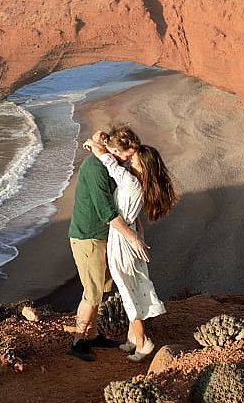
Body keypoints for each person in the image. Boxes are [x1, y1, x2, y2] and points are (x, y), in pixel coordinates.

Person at [82, 125, 177, 362]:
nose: (127, 161)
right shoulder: (138, 181)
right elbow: (116, 162)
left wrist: (96, 146)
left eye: (132, 160)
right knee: (132, 286)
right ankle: (132, 339)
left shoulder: (131, 183)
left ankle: (143, 342)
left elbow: (109, 162)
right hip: (130, 235)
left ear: (142, 166)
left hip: (123, 239)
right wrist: (101, 139)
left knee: (127, 290)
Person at [67, 126, 150, 362]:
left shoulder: (107, 162)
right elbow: (107, 212)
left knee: (101, 289)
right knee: (91, 293)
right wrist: (134, 237)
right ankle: (77, 341)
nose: (127, 161)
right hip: (88, 237)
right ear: (114, 150)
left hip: (103, 236)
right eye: (125, 156)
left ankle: (92, 335)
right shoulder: (96, 169)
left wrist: (97, 141)